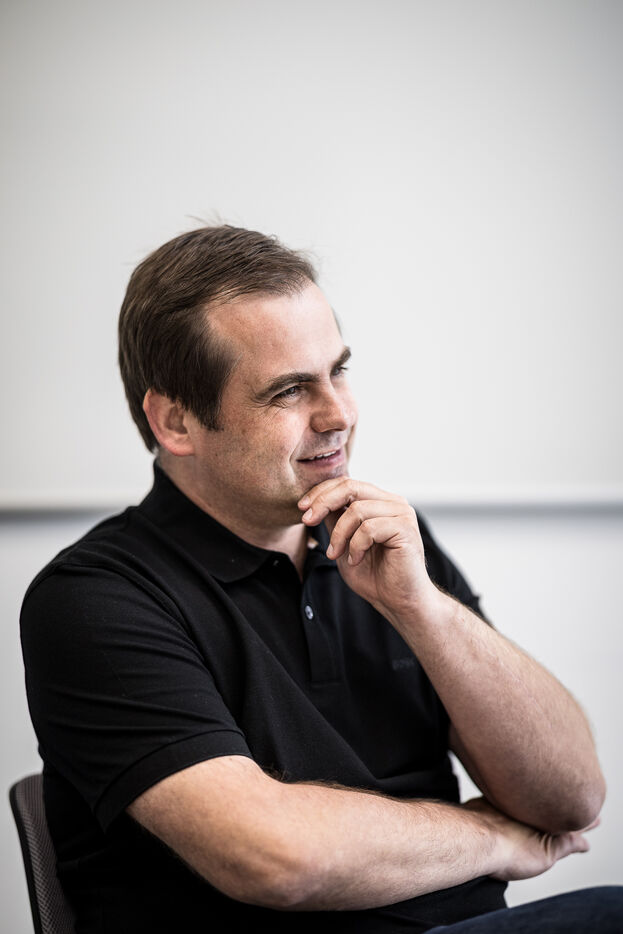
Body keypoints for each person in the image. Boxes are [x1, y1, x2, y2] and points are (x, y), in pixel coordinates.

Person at [20, 225, 621, 933]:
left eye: (338, 371)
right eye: (288, 391)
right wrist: (490, 838)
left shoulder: (386, 542)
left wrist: (423, 609)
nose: (339, 413)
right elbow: (275, 858)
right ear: (176, 421)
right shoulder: (96, 598)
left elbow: (571, 799)